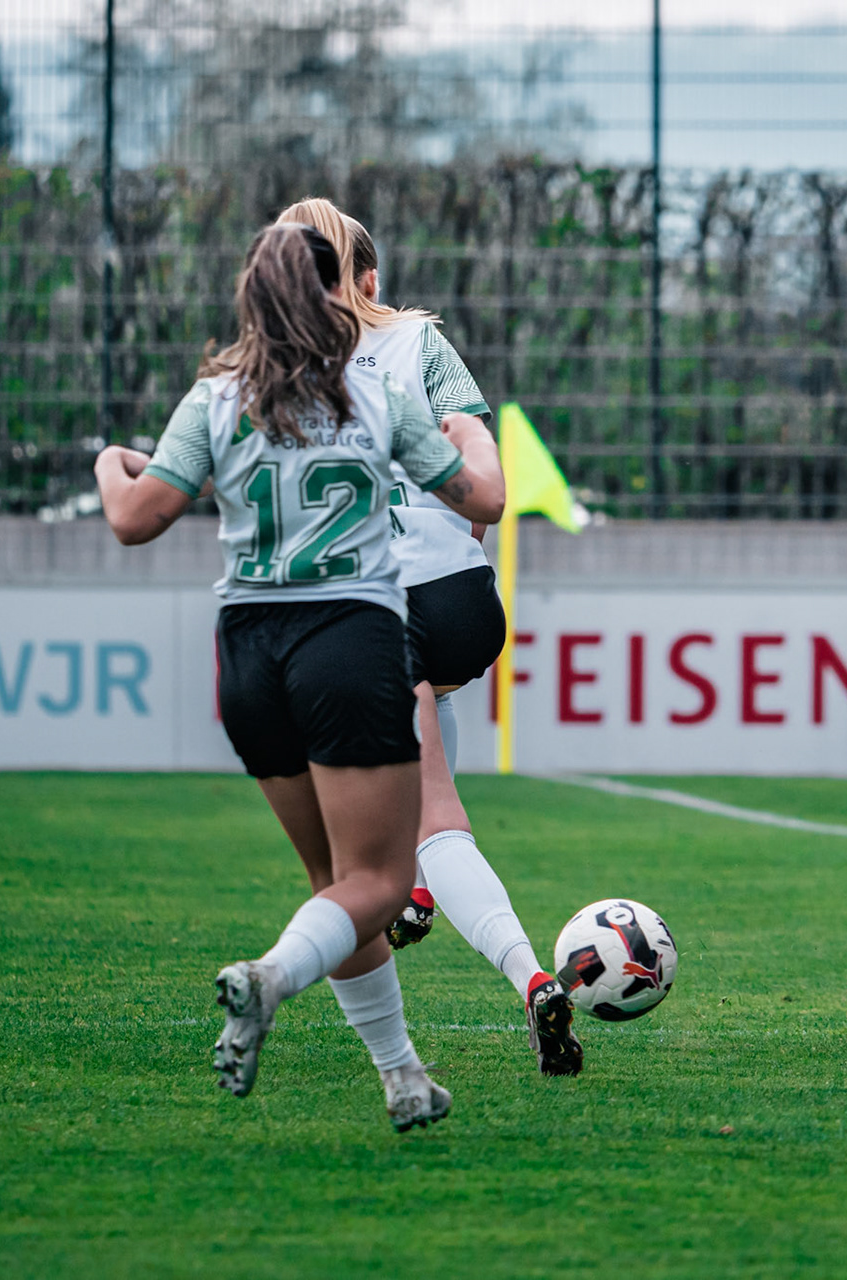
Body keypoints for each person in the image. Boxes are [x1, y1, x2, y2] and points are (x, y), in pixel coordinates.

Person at [92, 221, 507, 1127]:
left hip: (245, 654)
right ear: (334, 295)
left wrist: (108, 460)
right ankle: (270, 978)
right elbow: (483, 499)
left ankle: (403, 1078)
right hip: (349, 642)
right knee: (382, 884)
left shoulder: (213, 399)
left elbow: (133, 516)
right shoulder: (370, 389)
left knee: (336, 881)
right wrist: (474, 448)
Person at [275, 198, 583, 1078]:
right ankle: (416, 891)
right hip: (461, 595)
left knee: (433, 818)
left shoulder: (278, 368)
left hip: (363, 604)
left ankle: (527, 977)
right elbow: (478, 464)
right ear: (370, 279)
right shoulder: (418, 341)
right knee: (420, 723)